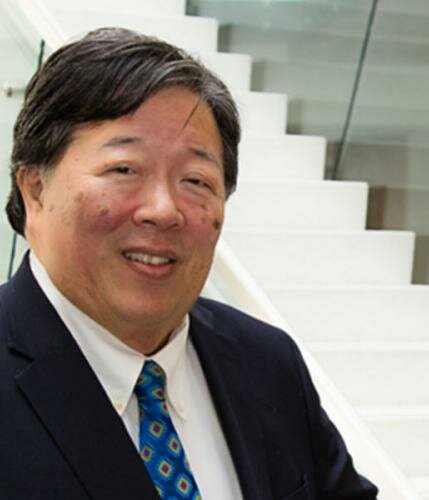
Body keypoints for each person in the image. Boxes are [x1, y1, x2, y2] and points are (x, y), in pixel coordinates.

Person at [0, 27, 378, 499]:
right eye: (124, 169)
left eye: (196, 180)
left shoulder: (268, 364)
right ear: (35, 189)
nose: (163, 210)